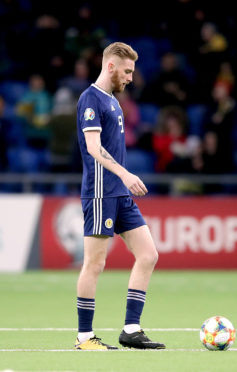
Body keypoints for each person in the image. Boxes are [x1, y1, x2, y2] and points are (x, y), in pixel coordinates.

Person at [74, 42, 165, 350]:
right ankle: (85, 337)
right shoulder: (91, 99)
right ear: (110, 66)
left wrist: (123, 182)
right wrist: (125, 174)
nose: (130, 78)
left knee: (148, 254)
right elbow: (93, 148)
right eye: (126, 71)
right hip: (101, 193)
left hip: (119, 194)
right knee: (94, 263)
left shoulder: (112, 101)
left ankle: (131, 329)